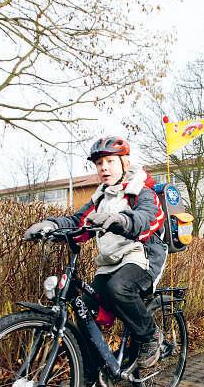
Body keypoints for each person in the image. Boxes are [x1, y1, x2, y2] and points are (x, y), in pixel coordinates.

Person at [23, 136, 168, 371]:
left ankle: (150, 337)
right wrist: (51, 225)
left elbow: (147, 218)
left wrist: (121, 220)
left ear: (125, 163)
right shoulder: (100, 197)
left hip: (141, 257)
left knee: (118, 289)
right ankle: (94, 369)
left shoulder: (142, 191)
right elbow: (77, 222)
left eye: (110, 161)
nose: (104, 168)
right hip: (110, 262)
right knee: (84, 306)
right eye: (99, 163)